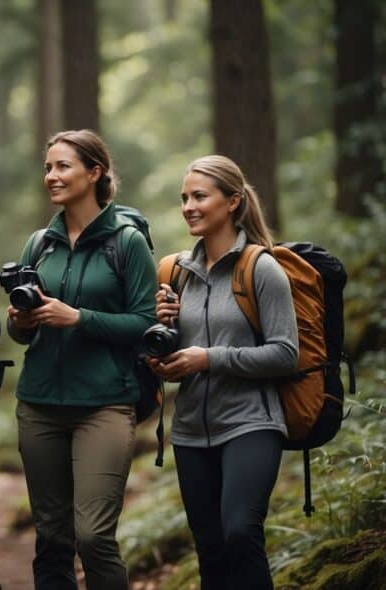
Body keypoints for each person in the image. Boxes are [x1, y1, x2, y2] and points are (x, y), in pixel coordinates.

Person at [7, 129, 157, 590]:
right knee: (52, 538)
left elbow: (146, 325)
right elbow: (17, 332)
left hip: (104, 404)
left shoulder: (126, 242)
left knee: (93, 536)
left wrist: (80, 318)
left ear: (94, 172)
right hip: (39, 405)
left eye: (63, 166)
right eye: (48, 167)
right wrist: (23, 322)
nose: (51, 176)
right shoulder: (40, 244)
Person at [148, 155, 298, 589]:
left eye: (200, 196)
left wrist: (209, 357)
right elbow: (171, 361)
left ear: (233, 202)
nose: (189, 206)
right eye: (184, 198)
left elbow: (285, 354)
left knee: (239, 531)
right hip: (191, 429)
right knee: (209, 545)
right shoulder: (177, 273)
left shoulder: (261, 267)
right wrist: (164, 341)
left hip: (252, 423)